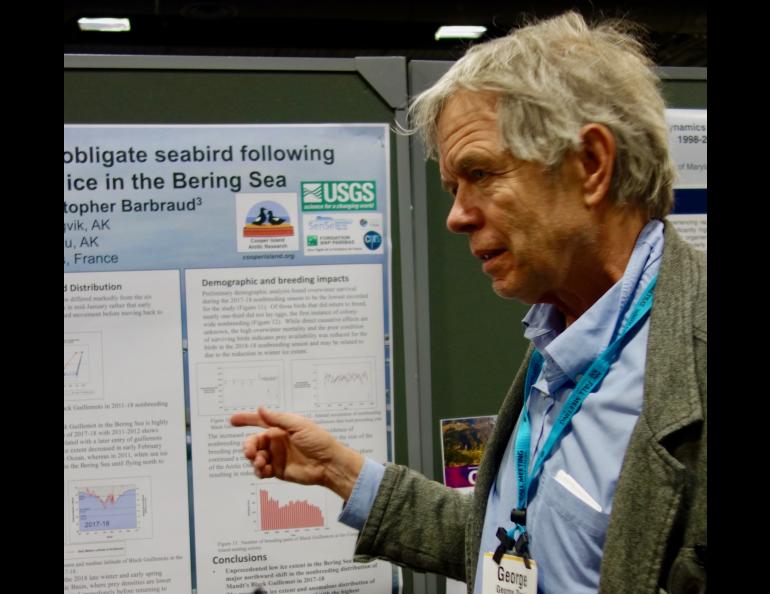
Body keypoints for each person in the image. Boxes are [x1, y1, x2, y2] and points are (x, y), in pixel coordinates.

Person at [231, 11, 706, 594]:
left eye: (480, 174)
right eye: (454, 188)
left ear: (591, 166)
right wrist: (340, 472)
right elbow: (517, 538)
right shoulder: (563, 338)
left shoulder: (688, 360)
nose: (456, 217)